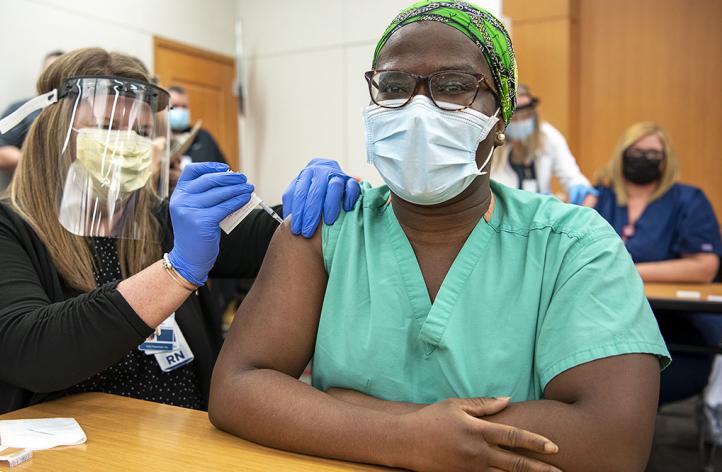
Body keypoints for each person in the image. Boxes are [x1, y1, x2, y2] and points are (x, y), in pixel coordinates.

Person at [209, 2, 670, 471]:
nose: (418, 109)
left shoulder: (573, 244)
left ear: (501, 120)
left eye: (454, 87)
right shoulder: (327, 228)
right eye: (393, 87)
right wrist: (406, 437)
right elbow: (236, 388)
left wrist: (365, 414)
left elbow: (613, 442)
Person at [0, 48, 359, 422]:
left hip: (189, 447)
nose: (126, 145)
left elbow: (281, 240)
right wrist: (176, 272)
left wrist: (321, 204)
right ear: (51, 132)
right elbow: (37, 352)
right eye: (106, 127)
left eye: (138, 132)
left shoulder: (163, 222)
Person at [594, 121, 722, 404]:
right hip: (606, 321)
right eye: (636, 151)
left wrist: (629, 271)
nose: (643, 159)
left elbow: (704, 267)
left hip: (676, 328)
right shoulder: (600, 197)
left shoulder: (688, 200)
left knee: (634, 390)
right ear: (622, 154)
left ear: (666, 162)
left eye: (653, 154)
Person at [490, 84, 596, 205]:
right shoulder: (491, 141)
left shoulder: (548, 136)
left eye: (526, 115)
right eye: (514, 117)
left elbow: (573, 179)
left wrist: (580, 191)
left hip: (540, 216)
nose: (520, 121)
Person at [0, 50, 65, 173]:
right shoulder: (22, 110)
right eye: (49, 71)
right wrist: (42, 161)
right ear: (41, 74)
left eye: (59, 73)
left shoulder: (80, 112)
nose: (53, 78)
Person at [167, 85, 227, 165]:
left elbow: (226, 171)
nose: (181, 110)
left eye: (184, 107)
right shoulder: (158, 139)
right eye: (175, 106)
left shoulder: (204, 138)